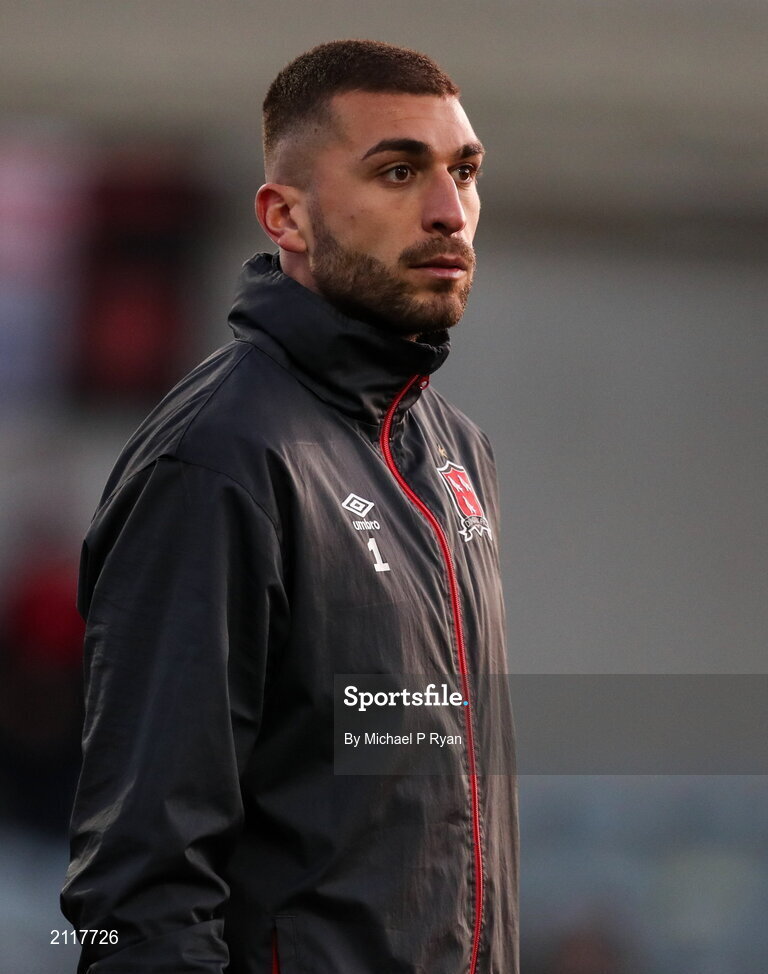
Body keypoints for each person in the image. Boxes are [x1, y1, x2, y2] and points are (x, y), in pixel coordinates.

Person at [61, 39, 519, 974]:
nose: (449, 211)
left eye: (464, 173)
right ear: (287, 216)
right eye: (399, 172)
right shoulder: (219, 459)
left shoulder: (457, 453)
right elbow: (135, 893)